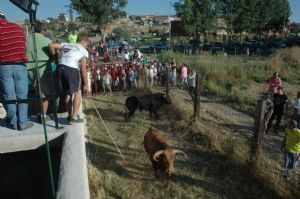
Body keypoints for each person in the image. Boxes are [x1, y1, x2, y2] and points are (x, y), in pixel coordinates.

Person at [0, 12, 33, 130]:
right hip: (20, 64)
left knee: (9, 96)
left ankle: (13, 122)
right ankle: (23, 123)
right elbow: (24, 45)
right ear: (5, 18)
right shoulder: (16, 28)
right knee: (22, 95)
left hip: (4, 66)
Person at [48, 33, 89, 123]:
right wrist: (86, 84)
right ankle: (74, 117)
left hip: (60, 68)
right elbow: (83, 69)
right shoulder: (84, 50)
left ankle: (70, 115)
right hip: (71, 69)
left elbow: (51, 45)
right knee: (78, 93)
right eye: (87, 44)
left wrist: (55, 57)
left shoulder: (66, 44)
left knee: (68, 93)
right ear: (83, 41)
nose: (87, 46)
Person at [26, 21, 53, 123]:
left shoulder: (27, 39)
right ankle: (43, 116)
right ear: (42, 30)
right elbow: (52, 53)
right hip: (42, 69)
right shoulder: (46, 40)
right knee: (44, 94)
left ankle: (39, 114)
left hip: (30, 70)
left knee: (37, 93)